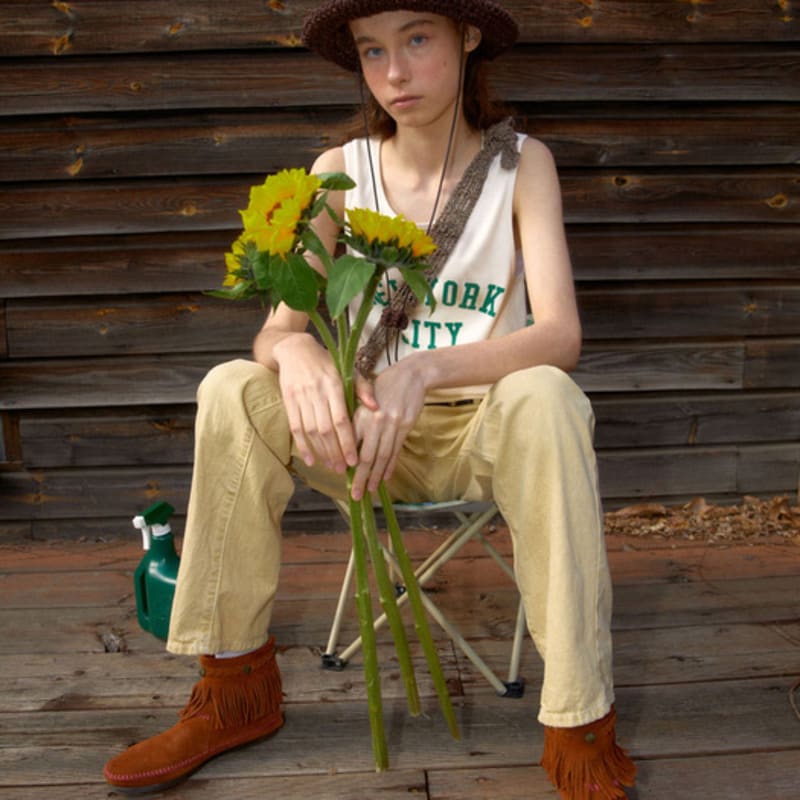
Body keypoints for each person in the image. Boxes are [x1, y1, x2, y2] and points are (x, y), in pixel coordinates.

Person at [103, 1, 637, 797]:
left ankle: (579, 719)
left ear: (467, 36)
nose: (394, 72)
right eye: (372, 50)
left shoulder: (522, 164)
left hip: (481, 433)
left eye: (417, 40)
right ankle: (234, 688)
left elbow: (560, 335)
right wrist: (300, 350)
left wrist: (423, 372)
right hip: (356, 442)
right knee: (233, 387)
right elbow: (273, 330)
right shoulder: (338, 171)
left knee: (547, 396)